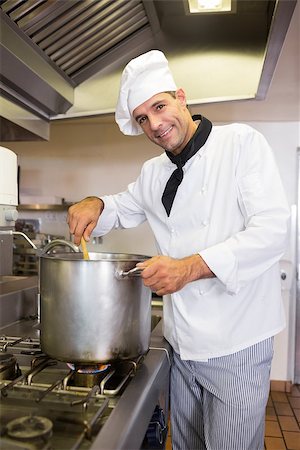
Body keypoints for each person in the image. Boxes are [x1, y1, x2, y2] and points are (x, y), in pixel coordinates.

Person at [67, 50, 290, 450]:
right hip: (181, 344)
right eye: (142, 119)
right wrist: (94, 203)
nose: (155, 124)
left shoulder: (240, 144)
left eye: (159, 106)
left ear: (181, 97)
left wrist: (188, 268)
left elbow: (274, 231)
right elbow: (120, 206)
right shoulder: (154, 173)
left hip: (237, 343)